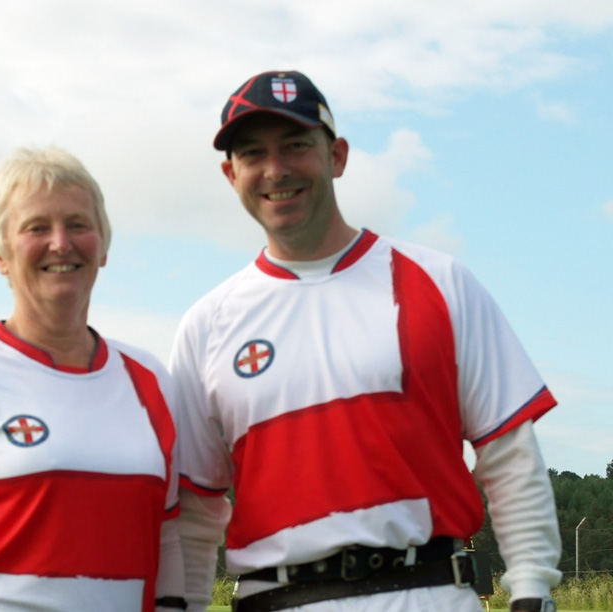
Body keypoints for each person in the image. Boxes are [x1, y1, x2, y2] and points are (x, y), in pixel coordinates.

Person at [170, 70, 561, 612]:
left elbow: (508, 455)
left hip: (426, 594)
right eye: (253, 153)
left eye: (296, 146)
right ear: (229, 174)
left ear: (337, 157)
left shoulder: (441, 282)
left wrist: (533, 587)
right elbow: (196, 510)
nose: (275, 169)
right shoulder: (206, 325)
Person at [0, 147, 186, 612]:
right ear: (1, 255)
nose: (60, 243)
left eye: (78, 224)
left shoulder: (151, 380)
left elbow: (167, 542)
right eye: (36, 227)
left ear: (103, 246)